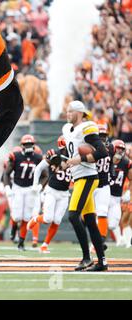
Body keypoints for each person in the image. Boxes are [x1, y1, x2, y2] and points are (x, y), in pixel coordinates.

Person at [63, 100, 109, 271]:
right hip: (79, 177)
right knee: (89, 220)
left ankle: (86, 258)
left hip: (88, 177)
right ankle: (102, 262)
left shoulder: (87, 127)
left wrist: (80, 159)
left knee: (73, 216)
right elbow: (71, 153)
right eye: (66, 111)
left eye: (70, 111)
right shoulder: (67, 130)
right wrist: (63, 163)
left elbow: (102, 152)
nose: (67, 114)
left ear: (80, 113)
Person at [28, 136, 72, 253]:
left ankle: (44, 245)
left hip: (64, 193)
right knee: (48, 218)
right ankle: (36, 219)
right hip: (51, 191)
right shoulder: (54, 154)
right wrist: (35, 184)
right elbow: (38, 169)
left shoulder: (75, 156)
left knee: (57, 220)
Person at [3, 134, 46, 251]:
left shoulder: (38, 158)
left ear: (34, 145)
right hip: (17, 188)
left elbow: (45, 175)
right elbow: (6, 173)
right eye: (26, 144)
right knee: (16, 216)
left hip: (30, 190)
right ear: (21, 146)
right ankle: (13, 229)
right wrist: (7, 187)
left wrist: (39, 186)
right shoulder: (16, 156)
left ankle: (21, 242)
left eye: (30, 144)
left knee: (26, 217)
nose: (28, 146)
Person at [109, 139, 132, 247]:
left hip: (117, 197)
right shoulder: (106, 159)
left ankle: (123, 240)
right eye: (117, 148)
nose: (119, 151)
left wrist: (128, 191)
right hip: (104, 194)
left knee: (113, 224)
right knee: (100, 218)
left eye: (121, 149)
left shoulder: (126, 163)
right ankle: (96, 245)